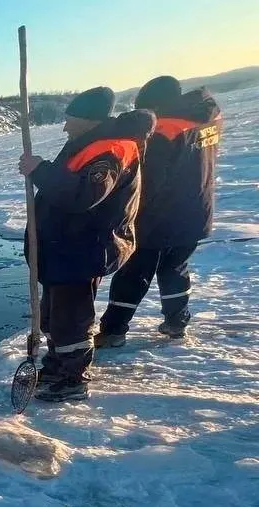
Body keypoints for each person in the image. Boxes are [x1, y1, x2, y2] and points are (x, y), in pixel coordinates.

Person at [18, 86, 154, 402]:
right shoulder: (89, 144)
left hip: (82, 249)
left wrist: (40, 170)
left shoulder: (111, 151)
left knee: (71, 320)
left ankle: (72, 379)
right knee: (54, 316)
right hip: (65, 247)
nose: (65, 127)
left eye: (70, 119)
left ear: (88, 119)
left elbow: (83, 195)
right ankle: (57, 366)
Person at [96, 76, 223, 345]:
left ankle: (113, 331)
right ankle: (177, 322)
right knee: (175, 267)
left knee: (134, 270)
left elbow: (150, 179)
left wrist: (127, 209)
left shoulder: (164, 129)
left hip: (160, 215)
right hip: (197, 210)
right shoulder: (206, 117)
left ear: (155, 105)